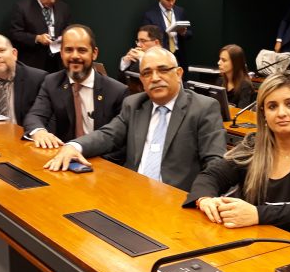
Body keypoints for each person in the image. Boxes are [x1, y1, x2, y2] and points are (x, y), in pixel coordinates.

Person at [184, 71, 290, 249]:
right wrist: (204, 199)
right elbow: (212, 175)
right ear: (263, 114)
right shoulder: (253, 146)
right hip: (261, 240)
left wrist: (257, 214)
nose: (281, 113)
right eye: (272, 106)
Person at [44, 47, 226, 192]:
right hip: (131, 193)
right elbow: (108, 135)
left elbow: (215, 161)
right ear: (142, 80)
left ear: (178, 73)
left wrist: (203, 196)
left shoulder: (203, 108)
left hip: (175, 199)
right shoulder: (134, 104)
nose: (155, 78)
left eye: (163, 70)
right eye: (147, 73)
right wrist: (74, 146)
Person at [23, 25, 128, 148]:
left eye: (82, 50)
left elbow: (118, 140)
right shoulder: (52, 82)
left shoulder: (117, 91)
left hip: (99, 156)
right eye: (68, 50)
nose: (74, 56)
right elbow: (35, 116)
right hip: (63, 154)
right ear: (61, 53)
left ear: (94, 53)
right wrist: (39, 132)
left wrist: (80, 149)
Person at [8, 0, 71, 73]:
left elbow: (68, 28)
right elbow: (15, 34)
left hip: (57, 64)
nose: (53, 1)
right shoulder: (22, 7)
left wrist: (64, 36)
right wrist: (37, 38)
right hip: (33, 64)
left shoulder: (63, 8)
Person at [142, 0, 192, 73]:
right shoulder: (150, 15)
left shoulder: (180, 11)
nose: (171, 3)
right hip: (161, 58)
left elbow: (190, 34)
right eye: (168, 0)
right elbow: (147, 39)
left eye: (173, 0)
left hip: (179, 57)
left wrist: (184, 32)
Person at [118, 25, 163, 93]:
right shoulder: (136, 59)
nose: (138, 45)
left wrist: (144, 59)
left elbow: (154, 81)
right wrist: (125, 63)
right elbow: (122, 83)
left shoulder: (169, 58)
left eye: (143, 41)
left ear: (156, 43)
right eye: (138, 41)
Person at [216, 44, 255, 108]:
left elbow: (242, 112)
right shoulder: (220, 81)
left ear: (235, 63)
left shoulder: (246, 86)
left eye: (224, 60)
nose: (218, 63)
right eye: (220, 59)